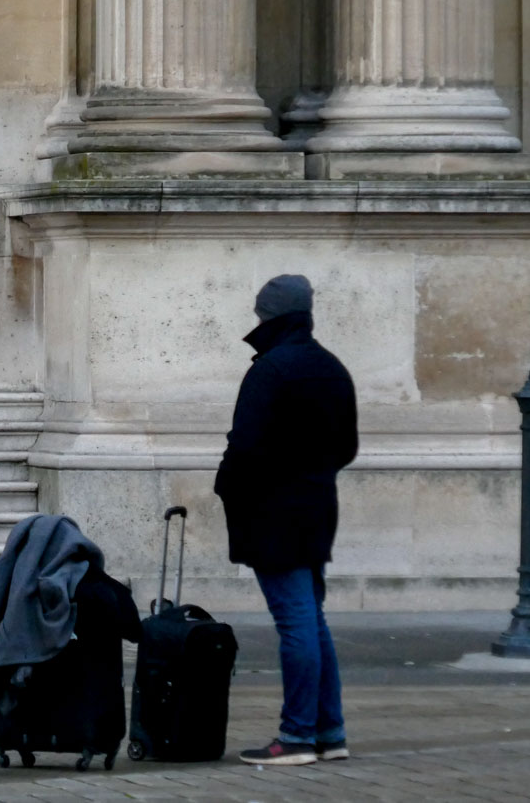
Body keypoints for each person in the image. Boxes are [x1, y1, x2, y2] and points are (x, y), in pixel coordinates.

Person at [216, 275, 358, 767]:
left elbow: (245, 445)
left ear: (269, 315)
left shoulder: (272, 368)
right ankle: (328, 731)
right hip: (316, 507)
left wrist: (227, 486)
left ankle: (298, 734)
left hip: (272, 511)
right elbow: (347, 447)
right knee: (311, 619)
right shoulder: (331, 367)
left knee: (295, 621)